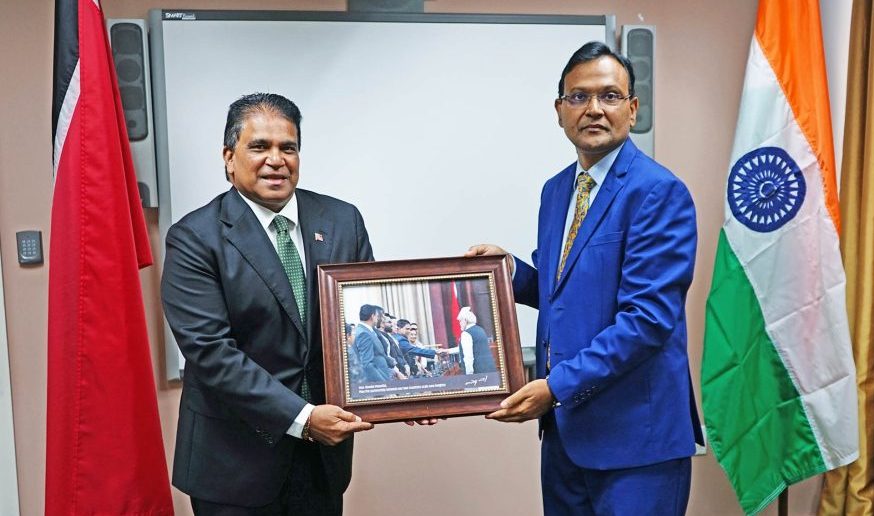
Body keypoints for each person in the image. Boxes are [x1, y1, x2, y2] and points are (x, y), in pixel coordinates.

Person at [467, 42, 702, 515]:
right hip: (565, 438)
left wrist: (553, 387)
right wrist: (508, 273)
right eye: (578, 97)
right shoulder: (557, 191)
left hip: (637, 443)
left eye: (610, 96)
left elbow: (646, 321)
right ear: (559, 111)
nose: (594, 108)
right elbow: (563, 293)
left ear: (632, 109)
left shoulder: (658, 192)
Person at [161, 92, 375, 515]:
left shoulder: (342, 220)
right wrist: (303, 418)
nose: (276, 160)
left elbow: (363, 320)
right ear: (228, 156)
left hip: (321, 464)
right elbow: (211, 354)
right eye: (259, 146)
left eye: (288, 147)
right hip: (233, 465)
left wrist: (404, 395)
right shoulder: (194, 238)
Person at [354, 304, 395, 382]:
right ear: (372, 316)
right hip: (379, 379)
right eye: (377, 315)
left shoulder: (369, 330)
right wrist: (382, 384)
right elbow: (367, 363)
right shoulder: (364, 333)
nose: (378, 318)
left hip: (383, 374)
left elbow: (379, 353)